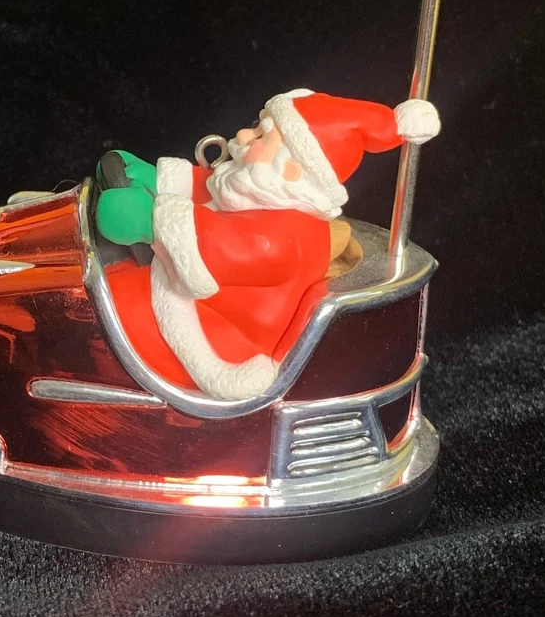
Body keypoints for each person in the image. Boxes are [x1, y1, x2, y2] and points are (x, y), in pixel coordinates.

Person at [98, 89, 440, 401]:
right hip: (201, 294)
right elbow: (212, 188)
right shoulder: (259, 192)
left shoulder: (283, 238)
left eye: (261, 136)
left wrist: (149, 219)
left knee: (110, 306)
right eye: (255, 127)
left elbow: (217, 245)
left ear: (291, 169)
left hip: (218, 325)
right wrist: (156, 178)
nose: (243, 136)